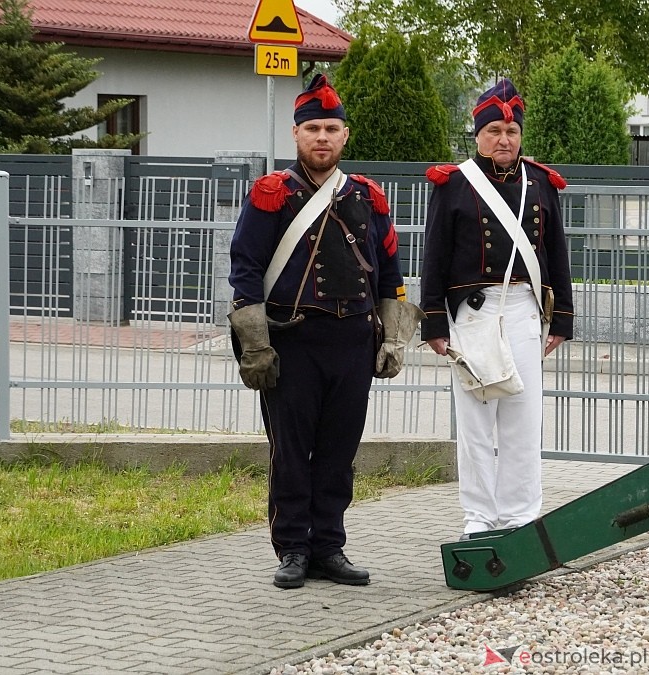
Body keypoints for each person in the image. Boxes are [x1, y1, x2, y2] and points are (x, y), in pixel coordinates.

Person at [227, 74, 423, 589]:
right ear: (296, 135)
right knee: (291, 453)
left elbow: (390, 273)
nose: (321, 137)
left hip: (352, 341)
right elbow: (245, 269)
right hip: (293, 341)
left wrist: (394, 337)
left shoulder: (366, 197)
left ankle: (329, 546)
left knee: (339, 452)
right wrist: (256, 344)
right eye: (312, 127)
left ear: (345, 135)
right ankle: (292, 548)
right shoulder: (273, 194)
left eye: (330, 128)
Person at [420, 78, 574, 538]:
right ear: (478, 135)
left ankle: (522, 517)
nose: (503, 140)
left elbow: (557, 253)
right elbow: (434, 256)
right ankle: (479, 518)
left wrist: (561, 318)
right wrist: (433, 320)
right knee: (475, 422)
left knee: (523, 421)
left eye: (511, 131)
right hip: (474, 312)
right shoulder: (453, 185)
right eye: (494, 131)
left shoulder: (541, 183)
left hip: (525, 308)